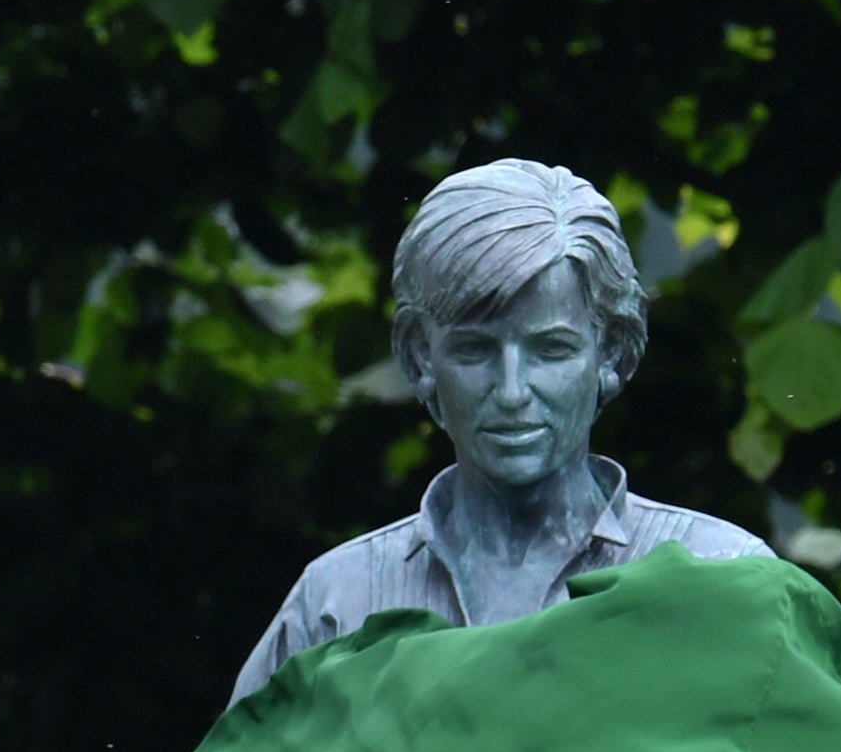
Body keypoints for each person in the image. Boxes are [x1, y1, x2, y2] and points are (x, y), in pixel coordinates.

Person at [230, 158, 770, 702]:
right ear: (420, 356)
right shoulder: (336, 604)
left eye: (551, 349)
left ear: (611, 352)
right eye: (474, 349)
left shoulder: (725, 579)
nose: (512, 392)